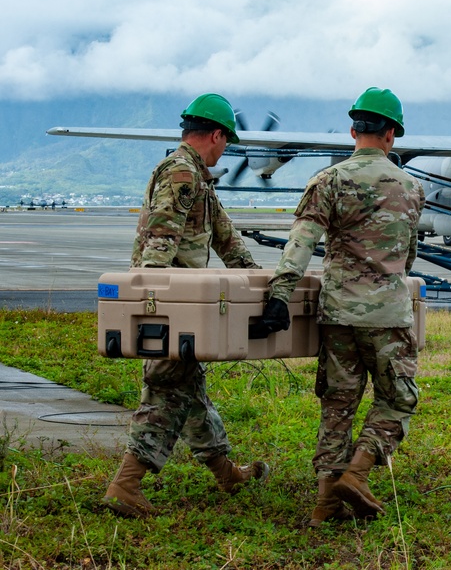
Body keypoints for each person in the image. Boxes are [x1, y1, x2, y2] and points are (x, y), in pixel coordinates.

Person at [257, 87, 425, 524]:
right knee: (397, 398)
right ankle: (359, 471)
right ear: (391, 134)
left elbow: (301, 243)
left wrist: (280, 294)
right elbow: (408, 258)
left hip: (337, 315)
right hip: (388, 315)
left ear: (354, 130)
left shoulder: (327, 181)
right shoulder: (411, 187)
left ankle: (324, 504)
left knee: (337, 406)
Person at [103, 93, 269, 518]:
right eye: (225, 141)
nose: (225, 149)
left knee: (190, 390)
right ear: (215, 135)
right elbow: (160, 242)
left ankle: (225, 472)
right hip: (171, 304)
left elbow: (227, 240)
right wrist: (156, 306)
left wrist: (262, 285)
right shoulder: (181, 172)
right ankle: (126, 485)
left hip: (181, 303)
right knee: (166, 393)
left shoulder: (197, 177)